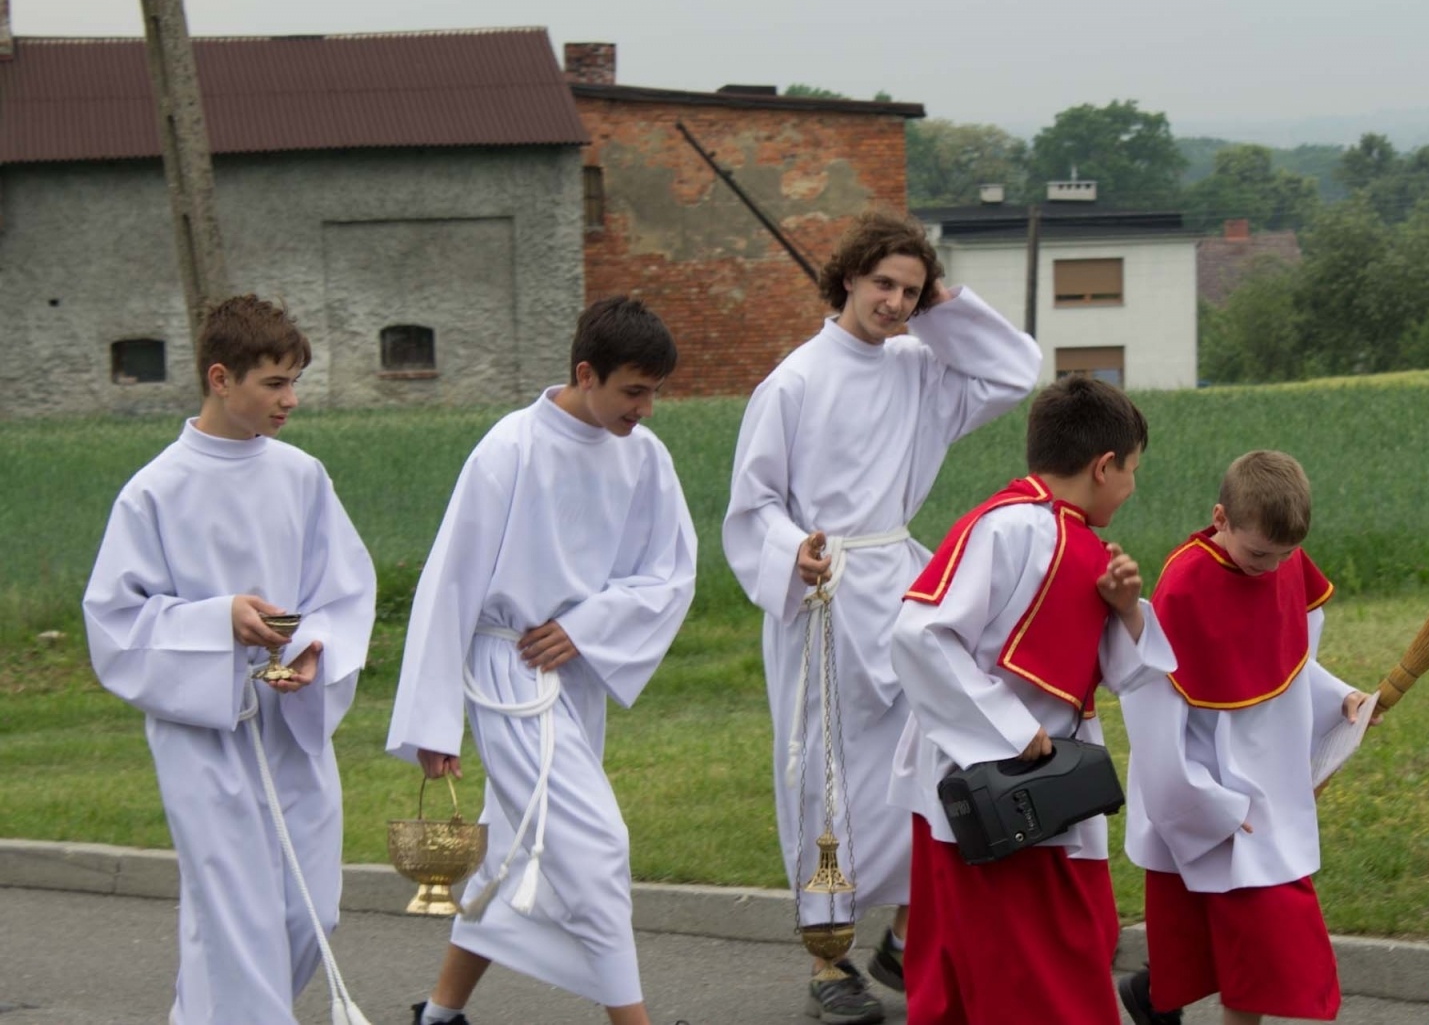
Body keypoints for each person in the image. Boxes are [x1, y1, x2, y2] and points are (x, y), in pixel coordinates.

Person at [722, 208, 1041, 1024]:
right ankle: (829, 962)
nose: (895, 303)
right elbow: (751, 505)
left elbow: (1014, 370)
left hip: (901, 584)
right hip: (822, 598)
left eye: (910, 290)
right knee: (826, 778)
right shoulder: (791, 381)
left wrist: (946, 305)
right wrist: (793, 550)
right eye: (883, 285)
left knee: (927, 759)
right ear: (847, 281)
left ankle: (906, 933)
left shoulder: (916, 368)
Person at [388, 297, 698, 1025]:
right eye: (633, 390)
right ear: (585, 373)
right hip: (509, 673)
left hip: (575, 677)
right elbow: (450, 582)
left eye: (655, 391)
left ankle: (439, 1015)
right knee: (594, 843)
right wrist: (434, 720)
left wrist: (589, 625)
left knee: (516, 847)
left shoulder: (645, 455)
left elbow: (671, 572)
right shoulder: (511, 448)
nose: (646, 409)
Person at [83, 294, 378, 1024]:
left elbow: (339, 591)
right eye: (274, 383)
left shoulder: (302, 476)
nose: (292, 399)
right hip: (203, 737)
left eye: (294, 380)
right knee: (235, 926)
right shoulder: (156, 491)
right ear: (221, 378)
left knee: (312, 913)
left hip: (289, 721)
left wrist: (309, 648)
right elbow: (115, 625)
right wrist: (221, 620)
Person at [886, 375, 1176, 1024]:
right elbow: (918, 633)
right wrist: (1007, 730)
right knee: (1036, 974)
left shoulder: (1078, 540)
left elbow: (1118, 672)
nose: (1131, 487)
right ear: (1104, 466)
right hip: (1001, 791)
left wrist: (1125, 609)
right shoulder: (1008, 528)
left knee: (1025, 962)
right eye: (1132, 470)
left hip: (1045, 791)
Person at [1118, 450, 1371, 1025]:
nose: (1271, 566)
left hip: (1268, 778)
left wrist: (1341, 698)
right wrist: (1202, 801)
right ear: (1221, 518)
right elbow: (1154, 707)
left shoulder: (1280, 560)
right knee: (1257, 956)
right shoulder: (1185, 585)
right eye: (1259, 552)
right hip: (1217, 787)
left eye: (1285, 555)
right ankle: (1160, 996)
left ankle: (1156, 998)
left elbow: (1285, 659)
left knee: (1247, 952)